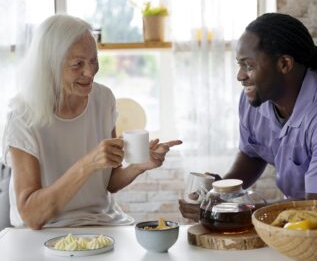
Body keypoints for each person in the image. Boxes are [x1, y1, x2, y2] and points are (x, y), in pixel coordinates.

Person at [179, 13, 317, 246]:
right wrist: (217, 194)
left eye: (249, 65)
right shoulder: (256, 97)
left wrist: (237, 209)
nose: (240, 76)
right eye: (239, 64)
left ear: (284, 64)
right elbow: (253, 153)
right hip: (303, 214)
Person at [2, 14, 182, 229]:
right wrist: (89, 163)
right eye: (77, 64)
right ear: (49, 65)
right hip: (47, 232)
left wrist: (139, 166)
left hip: (103, 225)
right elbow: (32, 216)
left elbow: (109, 183)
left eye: (93, 60)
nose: (90, 72)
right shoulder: (23, 115)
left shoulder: (103, 99)